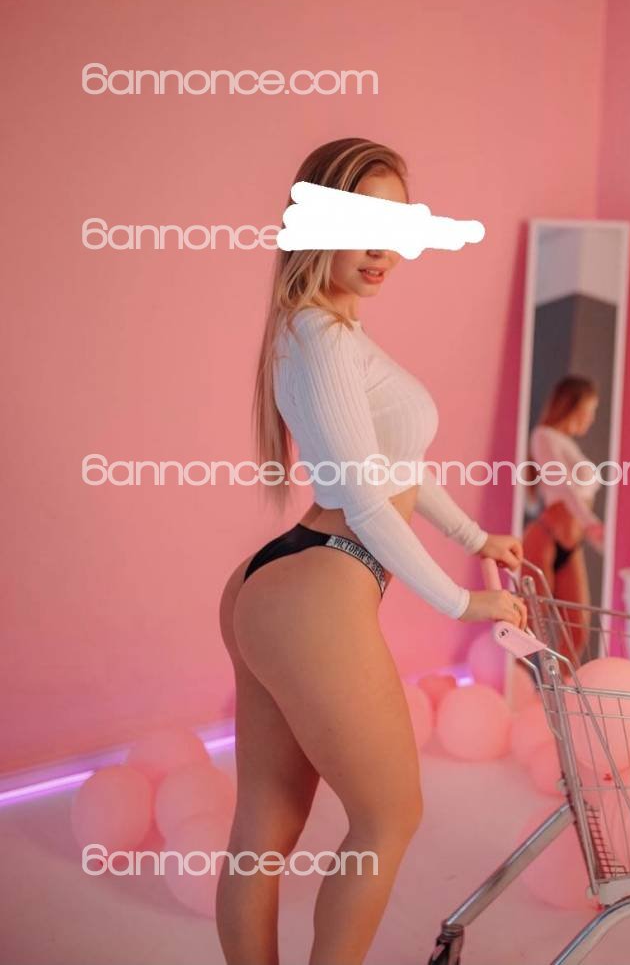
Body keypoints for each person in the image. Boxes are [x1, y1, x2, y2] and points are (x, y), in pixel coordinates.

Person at [215, 138, 525, 965]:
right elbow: (364, 497)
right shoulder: (322, 338)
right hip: (320, 584)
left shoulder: (328, 332)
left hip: (289, 581)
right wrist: (461, 600)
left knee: (266, 822)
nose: (383, 249)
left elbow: (395, 470)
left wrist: (475, 538)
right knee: (390, 816)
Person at [523, 375, 603, 659]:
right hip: (546, 536)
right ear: (573, 405)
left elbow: (576, 497)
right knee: (532, 627)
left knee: (577, 631)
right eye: (589, 410)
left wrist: (597, 536)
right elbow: (563, 485)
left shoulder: (569, 445)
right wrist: (591, 522)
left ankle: (562, 686)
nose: (591, 418)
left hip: (571, 542)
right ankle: (518, 682)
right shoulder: (543, 436)